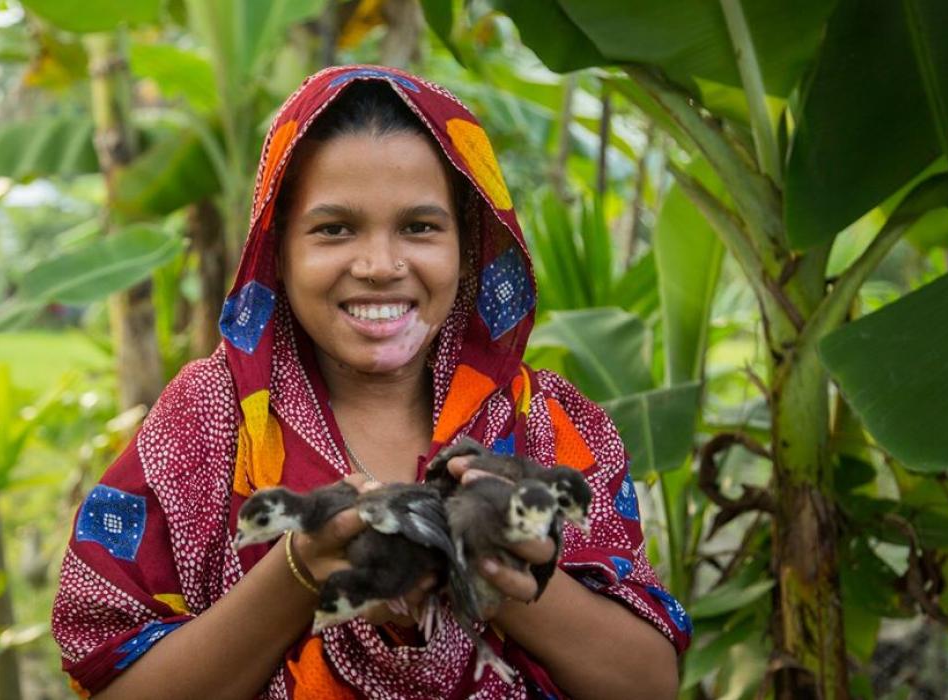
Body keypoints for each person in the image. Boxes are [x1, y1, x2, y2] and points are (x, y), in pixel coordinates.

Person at [51, 65, 690, 699]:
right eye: (334, 229)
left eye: (419, 227)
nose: (380, 266)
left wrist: (483, 566)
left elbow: (648, 681)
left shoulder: (545, 424)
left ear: (468, 242)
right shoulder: (205, 423)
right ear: (278, 249)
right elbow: (112, 680)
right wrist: (299, 574)